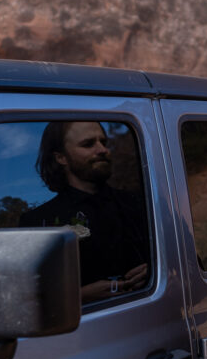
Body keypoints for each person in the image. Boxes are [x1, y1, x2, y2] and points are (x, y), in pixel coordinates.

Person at [20, 120, 149, 303]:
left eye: (103, 142)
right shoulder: (37, 222)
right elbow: (27, 300)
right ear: (61, 158)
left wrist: (156, 270)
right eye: (88, 144)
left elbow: (188, 262)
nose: (102, 150)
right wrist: (79, 296)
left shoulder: (138, 203)